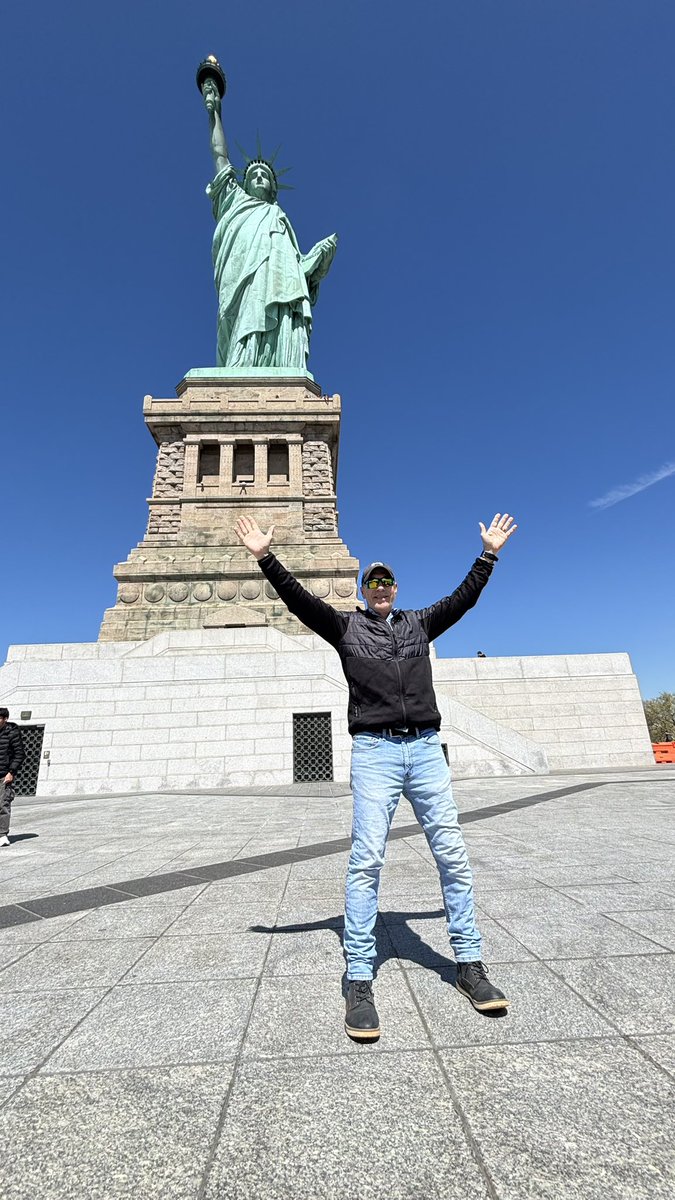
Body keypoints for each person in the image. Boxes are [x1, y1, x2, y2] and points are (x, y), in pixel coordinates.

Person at [235, 512, 518, 1040]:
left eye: (388, 583)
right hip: (375, 751)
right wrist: (265, 558)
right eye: (374, 584)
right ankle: (359, 976)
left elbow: (464, 599)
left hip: (427, 750)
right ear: (363, 591)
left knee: (451, 854)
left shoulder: (419, 623)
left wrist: (488, 555)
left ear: (396, 589)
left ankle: (469, 963)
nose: (382, 589)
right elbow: (300, 601)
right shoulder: (345, 627)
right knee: (367, 859)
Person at [201, 76, 337, 370]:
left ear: (274, 190)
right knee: (241, 317)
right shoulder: (234, 201)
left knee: (281, 305)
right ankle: (242, 367)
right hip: (242, 279)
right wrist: (214, 112)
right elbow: (219, 155)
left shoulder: (280, 219)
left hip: (276, 286)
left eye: (266, 176)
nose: (260, 177)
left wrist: (315, 261)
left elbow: (295, 272)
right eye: (254, 175)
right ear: (245, 183)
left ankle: (276, 368)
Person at [0, 708, 25, 847]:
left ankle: (2, 835)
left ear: (5, 719)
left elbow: (19, 754)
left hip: (4, 775)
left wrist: (11, 772)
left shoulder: (12, 733)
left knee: (3, 805)